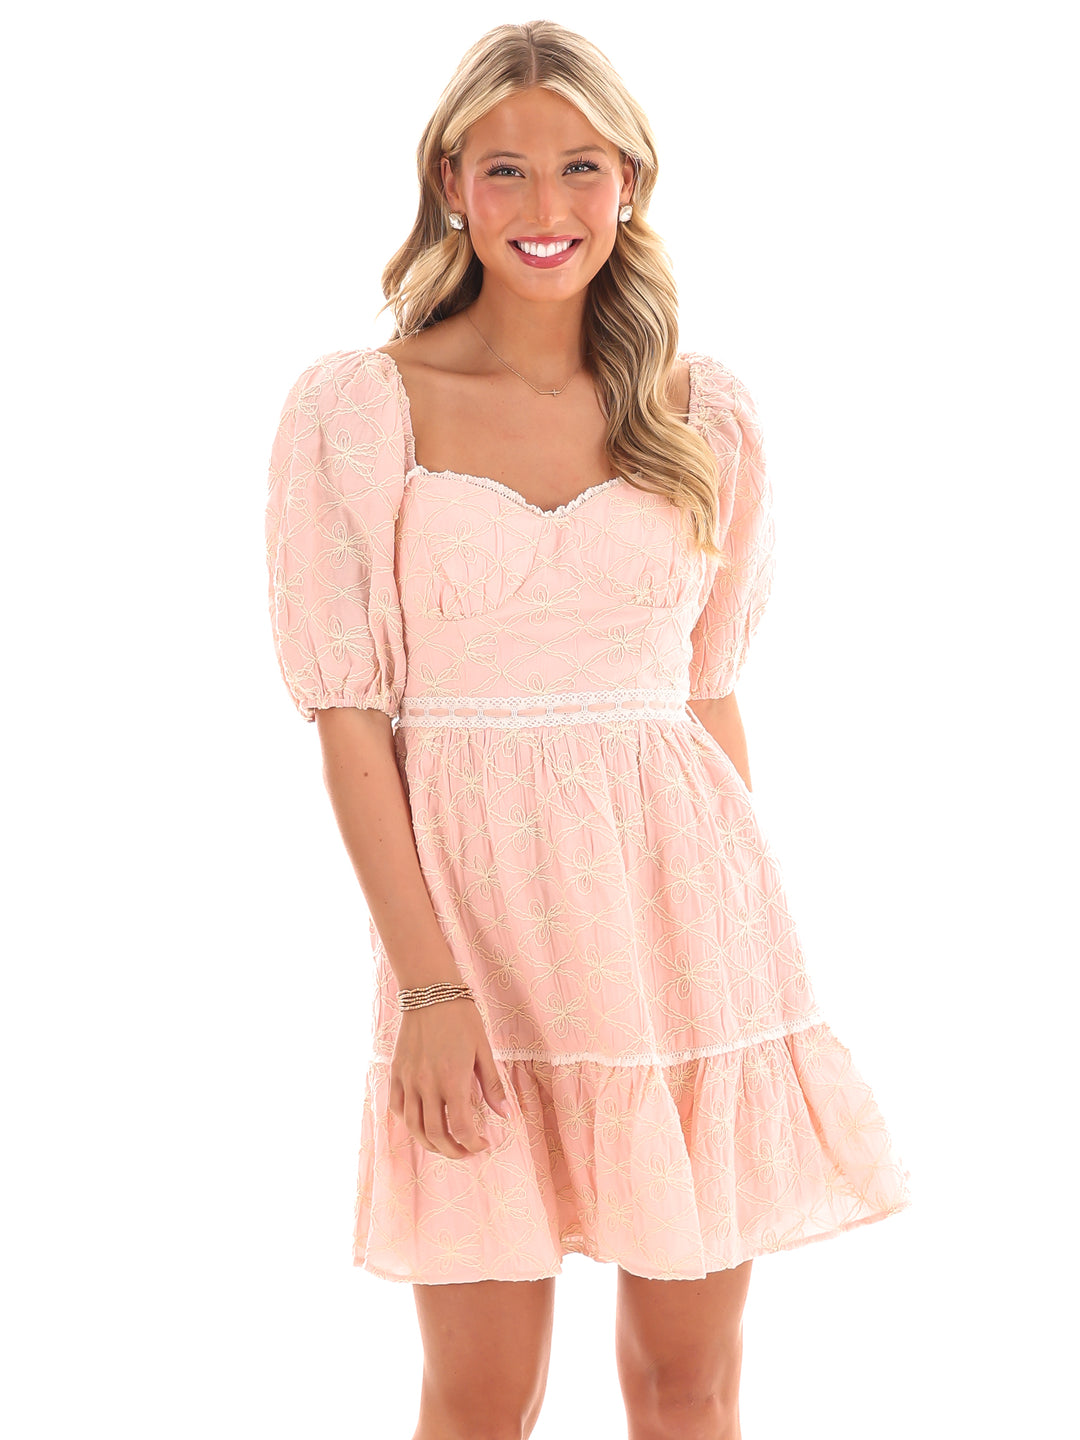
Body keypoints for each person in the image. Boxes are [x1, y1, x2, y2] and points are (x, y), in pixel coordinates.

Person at [264, 20, 913, 1440]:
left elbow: (706, 693)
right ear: (450, 184)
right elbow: (348, 718)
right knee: (479, 1402)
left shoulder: (706, 415)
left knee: (689, 1389)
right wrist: (427, 993)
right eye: (505, 169)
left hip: (685, 937)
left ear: (630, 184)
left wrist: (742, 960)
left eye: (580, 166)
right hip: (472, 947)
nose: (544, 205)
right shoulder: (361, 410)